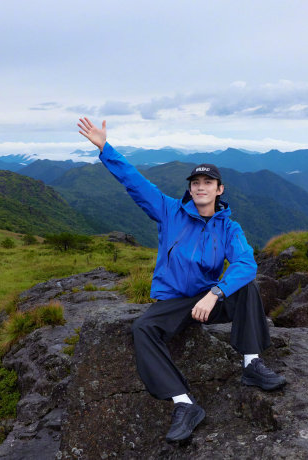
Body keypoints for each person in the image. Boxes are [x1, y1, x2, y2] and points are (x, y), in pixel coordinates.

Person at [78, 117, 286, 442]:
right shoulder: (168, 211)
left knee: (246, 287)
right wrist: (105, 148)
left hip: (207, 300)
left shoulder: (228, 227)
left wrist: (215, 293)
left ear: (219, 189)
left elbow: (246, 263)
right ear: (190, 189)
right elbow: (134, 181)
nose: (201, 187)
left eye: (208, 182)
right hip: (174, 302)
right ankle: (184, 404)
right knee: (143, 328)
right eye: (195, 183)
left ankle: (251, 364)